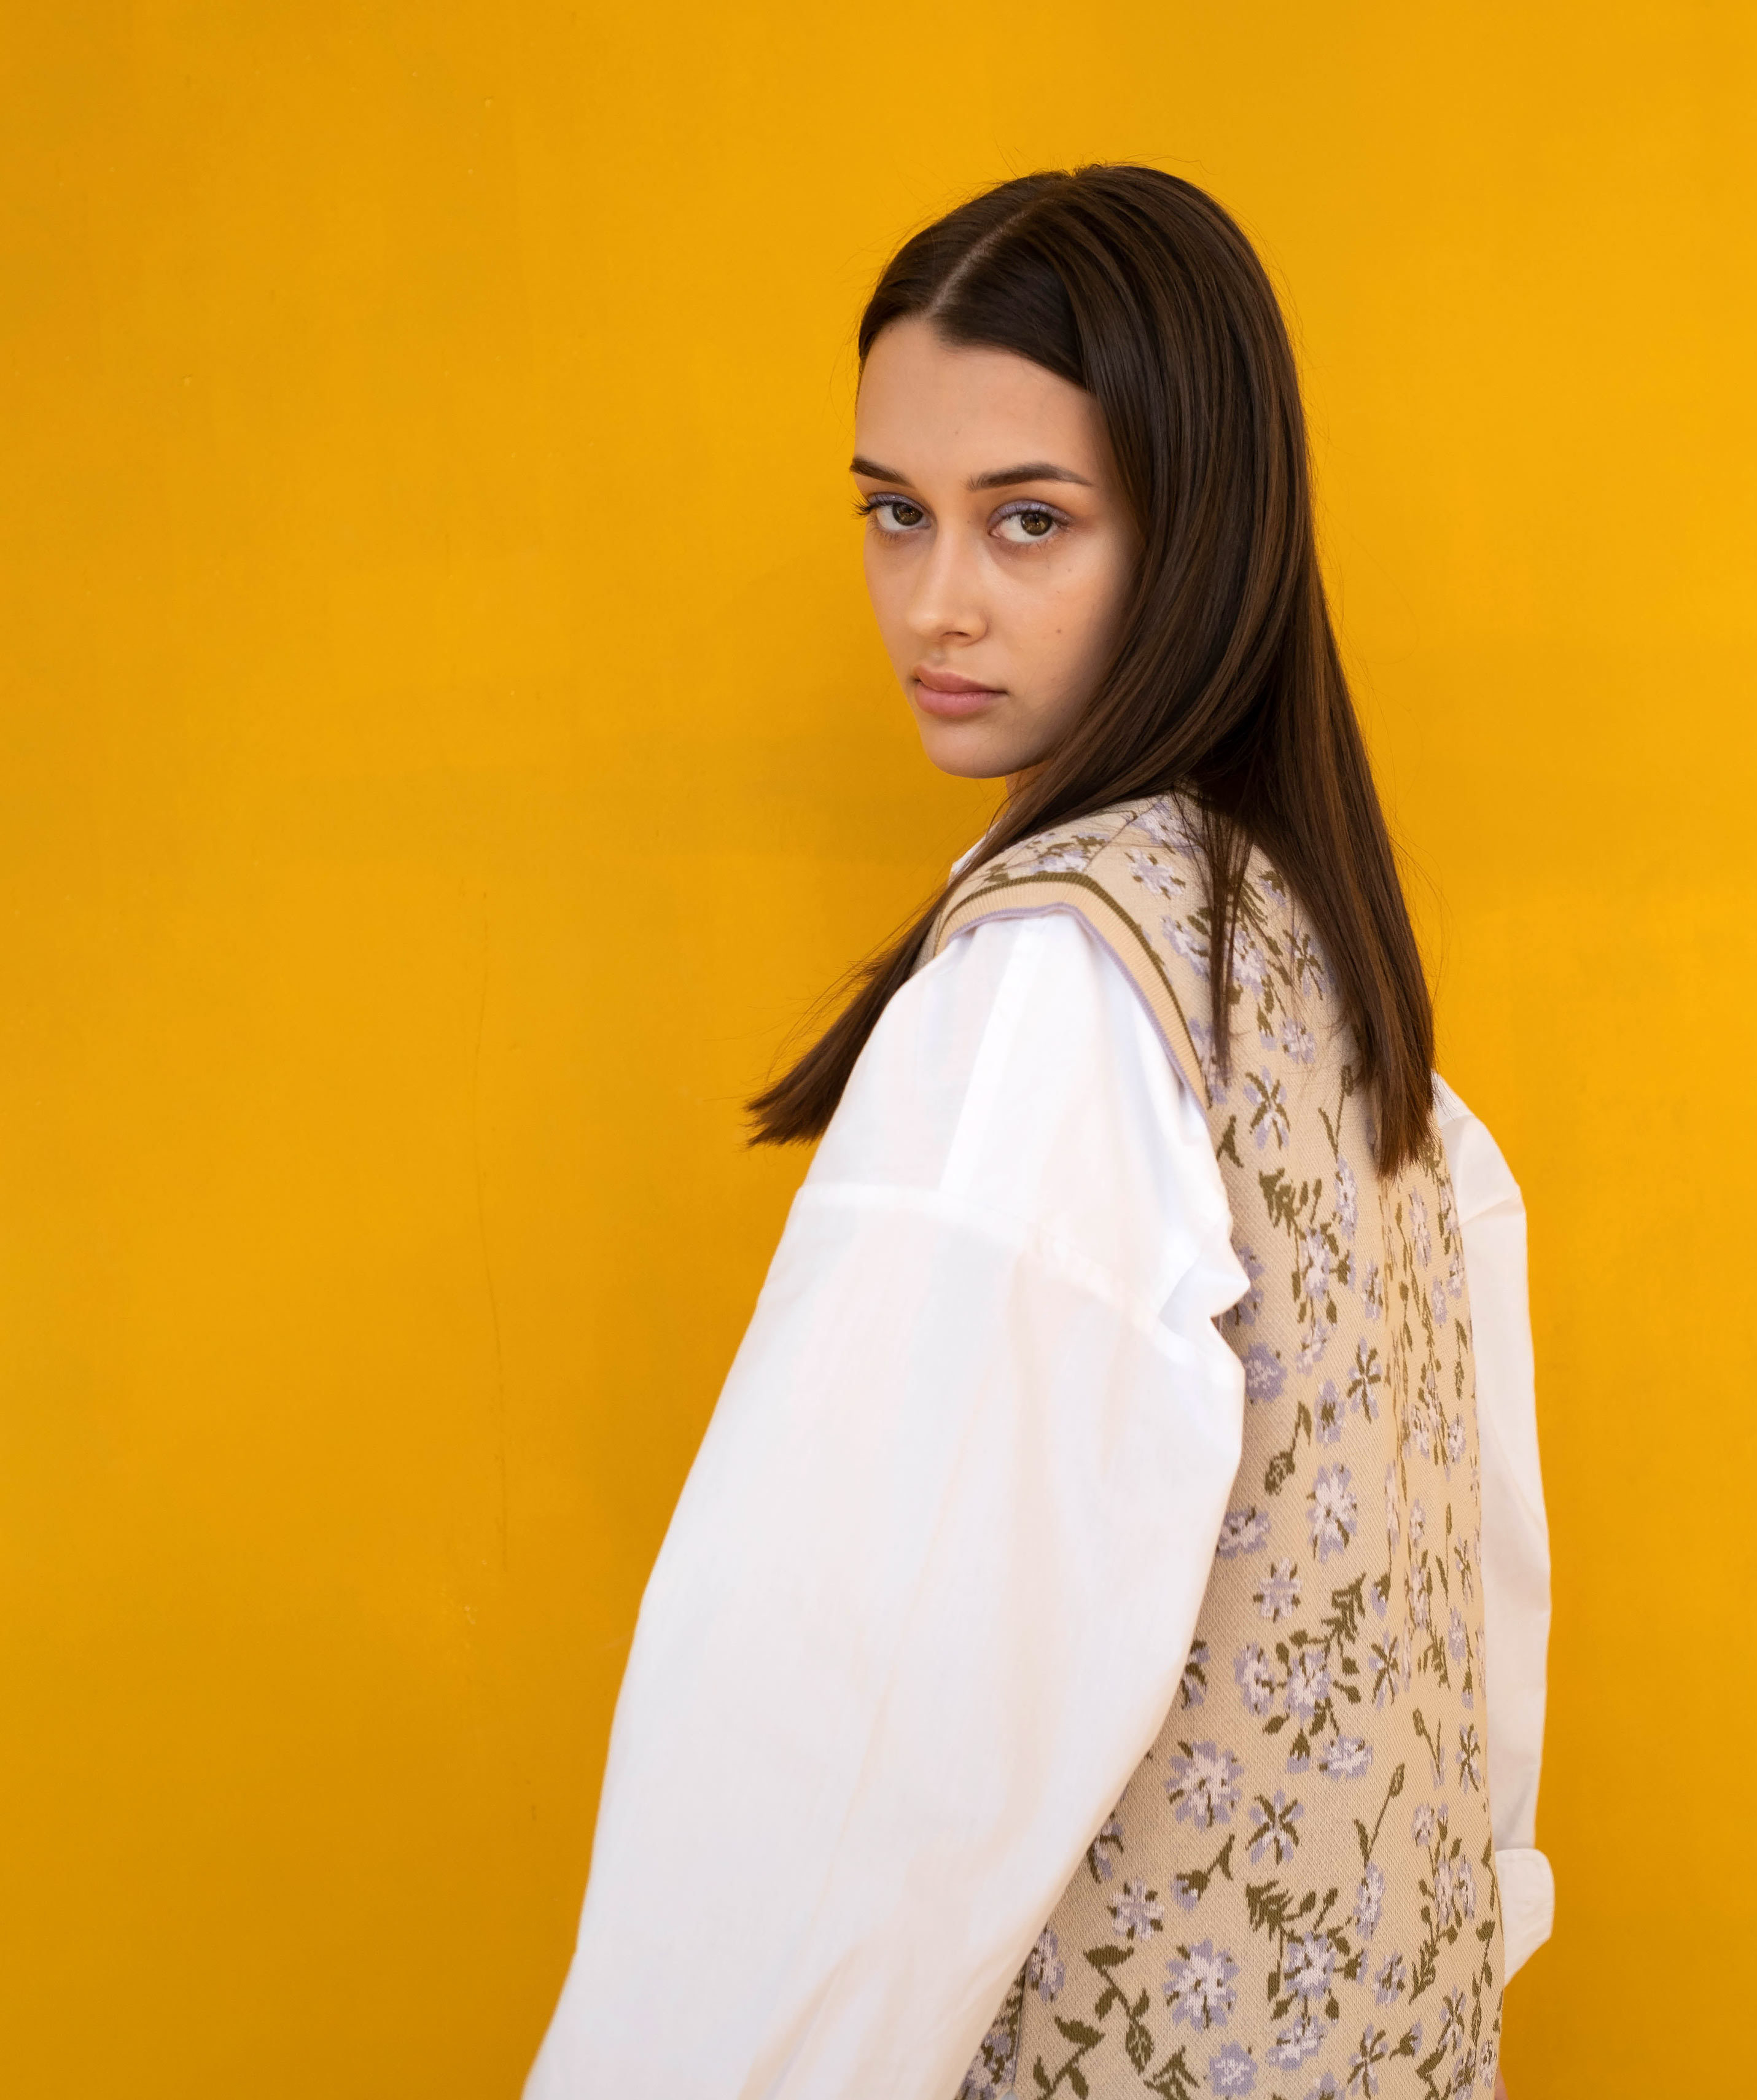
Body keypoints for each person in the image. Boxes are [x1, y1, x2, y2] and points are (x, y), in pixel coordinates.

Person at [524, 165, 1551, 2100]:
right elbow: (1468, 1623)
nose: (936, 601)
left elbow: (840, 1742)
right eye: (892, 511)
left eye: (1029, 519)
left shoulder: (1056, 1001)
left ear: (1199, 531)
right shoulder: (1305, 944)